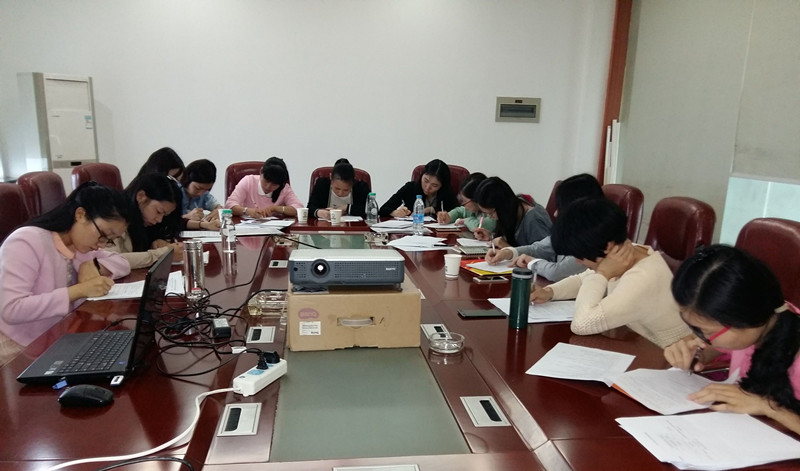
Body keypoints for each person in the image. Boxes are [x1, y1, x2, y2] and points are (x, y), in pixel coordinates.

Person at [664, 245, 800, 435]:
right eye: (696, 329)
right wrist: (698, 353)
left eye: (708, 332)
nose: (703, 338)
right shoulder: (763, 323)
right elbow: (720, 350)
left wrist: (769, 407)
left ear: (745, 318)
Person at [529, 197, 690, 348]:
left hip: (666, 358)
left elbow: (582, 324)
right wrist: (550, 292)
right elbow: (582, 279)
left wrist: (603, 274)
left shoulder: (642, 278)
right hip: (636, 344)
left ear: (607, 246)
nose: (578, 261)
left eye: (580, 256)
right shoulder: (626, 252)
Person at [0, 182, 131, 364]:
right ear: (81, 215)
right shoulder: (26, 241)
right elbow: (12, 309)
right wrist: (78, 291)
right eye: (104, 234)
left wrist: (93, 265)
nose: (101, 245)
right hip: (17, 349)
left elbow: (123, 263)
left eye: (110, 240)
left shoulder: (82, 246)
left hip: (58, 340)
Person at [485, 173, 603, 281]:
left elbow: (556, 272)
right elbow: (537, 248)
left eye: (560, 208)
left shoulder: (591, 239)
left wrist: (532, 262)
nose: (555, 214)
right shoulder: (569, 231)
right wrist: (508, 253)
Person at [107, 173, 183, 268]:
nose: (159, 220)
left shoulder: (143, 221)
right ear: (141, 196)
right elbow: (110, 261)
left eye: (164, 215)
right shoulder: (113, 216)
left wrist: (156, 243)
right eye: (158, 211)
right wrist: (162, 254)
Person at [471, 177, 551, 246]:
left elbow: (545, 256)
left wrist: (507, 249)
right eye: (486, 213)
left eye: (491, 213)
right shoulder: (515, 209)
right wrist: (491, 237)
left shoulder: (534, 219)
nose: (489, 217)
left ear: (502, 206)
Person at [225, 156, 303, 218]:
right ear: (261, 171)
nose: (268, 187)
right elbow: (229, 205)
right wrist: (247, 211)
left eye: (274, 185)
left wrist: (275, 208)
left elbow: (299, 209)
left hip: (275, 231)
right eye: (266, 181)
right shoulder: (248, 181)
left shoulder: (284, 188)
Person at [379, 159, 459, 218]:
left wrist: (430, 209)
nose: (427, 187)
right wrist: (395, 212)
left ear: (442, 186)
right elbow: (383, 209)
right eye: (425, 181)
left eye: (434, 185)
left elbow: (459, 212)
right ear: (421, 175)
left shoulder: (447, 192)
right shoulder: (410, 188)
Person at [180, 159, 223, 230]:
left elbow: (219, 207)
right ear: (187, 180)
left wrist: (217, 211)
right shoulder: (174, 192)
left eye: (207, 189)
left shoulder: (204, 194)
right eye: (197, 188)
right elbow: (165, 221)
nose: (201, 193)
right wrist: (186, 217)